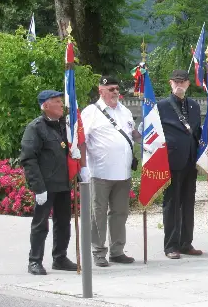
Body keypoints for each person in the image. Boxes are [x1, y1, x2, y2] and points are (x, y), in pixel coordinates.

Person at [20, 90, 84, 275]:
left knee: (63, 223)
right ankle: (35, 260)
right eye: (57, 101)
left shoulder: (64, 126)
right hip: (46, 186)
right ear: (46, 105)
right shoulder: (36, 128)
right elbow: (28, 159)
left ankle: (60, 258)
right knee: (41, 224)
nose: (61, 104)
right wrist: (38, 187)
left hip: (63, 183)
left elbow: (68, 151)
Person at [81, 76, 137, 267]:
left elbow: (133, 134)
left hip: (123, 173)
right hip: (100, 173)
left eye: (116, 89)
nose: (115, 92)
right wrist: (82, 166)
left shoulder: (125, 111)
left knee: (120, 213)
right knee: (98, 215)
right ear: (101, 91)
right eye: (110, 89)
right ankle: (98, 252)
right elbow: (82, 141)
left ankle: (117, 250)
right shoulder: (91, 113)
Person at [157, 69, 203, 259]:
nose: (179, 85)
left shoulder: (193, 105)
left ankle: (186, 243)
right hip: (171, 161)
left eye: (183, 82)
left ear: (188, 84)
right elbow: (152, 133)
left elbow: (197, 131)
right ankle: (171, 246)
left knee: (188, 203)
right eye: (176, 81)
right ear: (170, 83)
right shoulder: (161, 106)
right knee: (172, 204)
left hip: (190, 161)